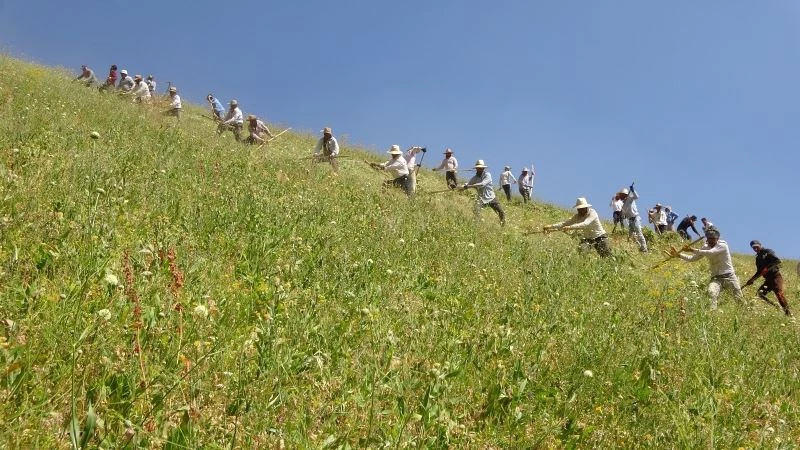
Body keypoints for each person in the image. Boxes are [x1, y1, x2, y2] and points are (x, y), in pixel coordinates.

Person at [669, 227, 742, 311]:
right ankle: (712, 312)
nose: (710, 241)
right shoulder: (705, 247)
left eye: (713, 239)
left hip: (729, 277)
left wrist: (692, 249)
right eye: (709, 238)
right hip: (716, 278)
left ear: (717, 238)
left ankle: (745, 314)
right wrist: (679, 255)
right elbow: (692, 259)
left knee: (738, 298)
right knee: (711, 293)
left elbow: (711, 253)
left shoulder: (722, 245)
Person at [544, 197, 611, 257]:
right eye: (578, 209)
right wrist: (551, 226)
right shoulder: (577, 216)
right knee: (581, 253)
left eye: (581, 208)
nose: (579, 210)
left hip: (599, 237)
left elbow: (585, 224)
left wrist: (570, 227)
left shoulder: (592, 213)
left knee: (606, 255)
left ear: (586, 208)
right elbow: (565, 223)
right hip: (587, 239)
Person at [743, 240, 791, 316]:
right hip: (768, 280)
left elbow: (777, 261)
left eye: (756, 247)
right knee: (760, 294)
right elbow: (759, 272)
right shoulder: (758, 258)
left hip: (775, 277)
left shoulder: (768, 251)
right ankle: (775, 306)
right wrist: (752, 279)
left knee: (779, 294)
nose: (755, 249)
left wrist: (767, 268)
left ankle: (788, 314)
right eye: (753, 248)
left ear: (760, 245)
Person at [460, 160, 505, 225]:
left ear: (483, 168)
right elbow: (468, 184)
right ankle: (478, 224)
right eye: (478, 168)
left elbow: (482, 184)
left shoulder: (487, 175)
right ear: (476, 169)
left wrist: (468, 186)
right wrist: (460, 188)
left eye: (480, 168)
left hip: (491, 198)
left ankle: (502, 226)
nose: (479, 169)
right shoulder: (474, 178)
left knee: (501, 212)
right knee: (476, 210)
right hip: (481, 199)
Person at [617, 184, 648, 252]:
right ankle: (638, 247)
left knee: (639, 233)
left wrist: (633, 190)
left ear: (624, 195)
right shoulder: (623, 204)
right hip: (630, 220)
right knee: (631, 235)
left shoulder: (630, 198)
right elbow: (623, 214)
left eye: (621, 195)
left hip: (635, 218)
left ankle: (644, 249)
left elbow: (637, 196)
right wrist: (620, 216)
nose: (620, 197)